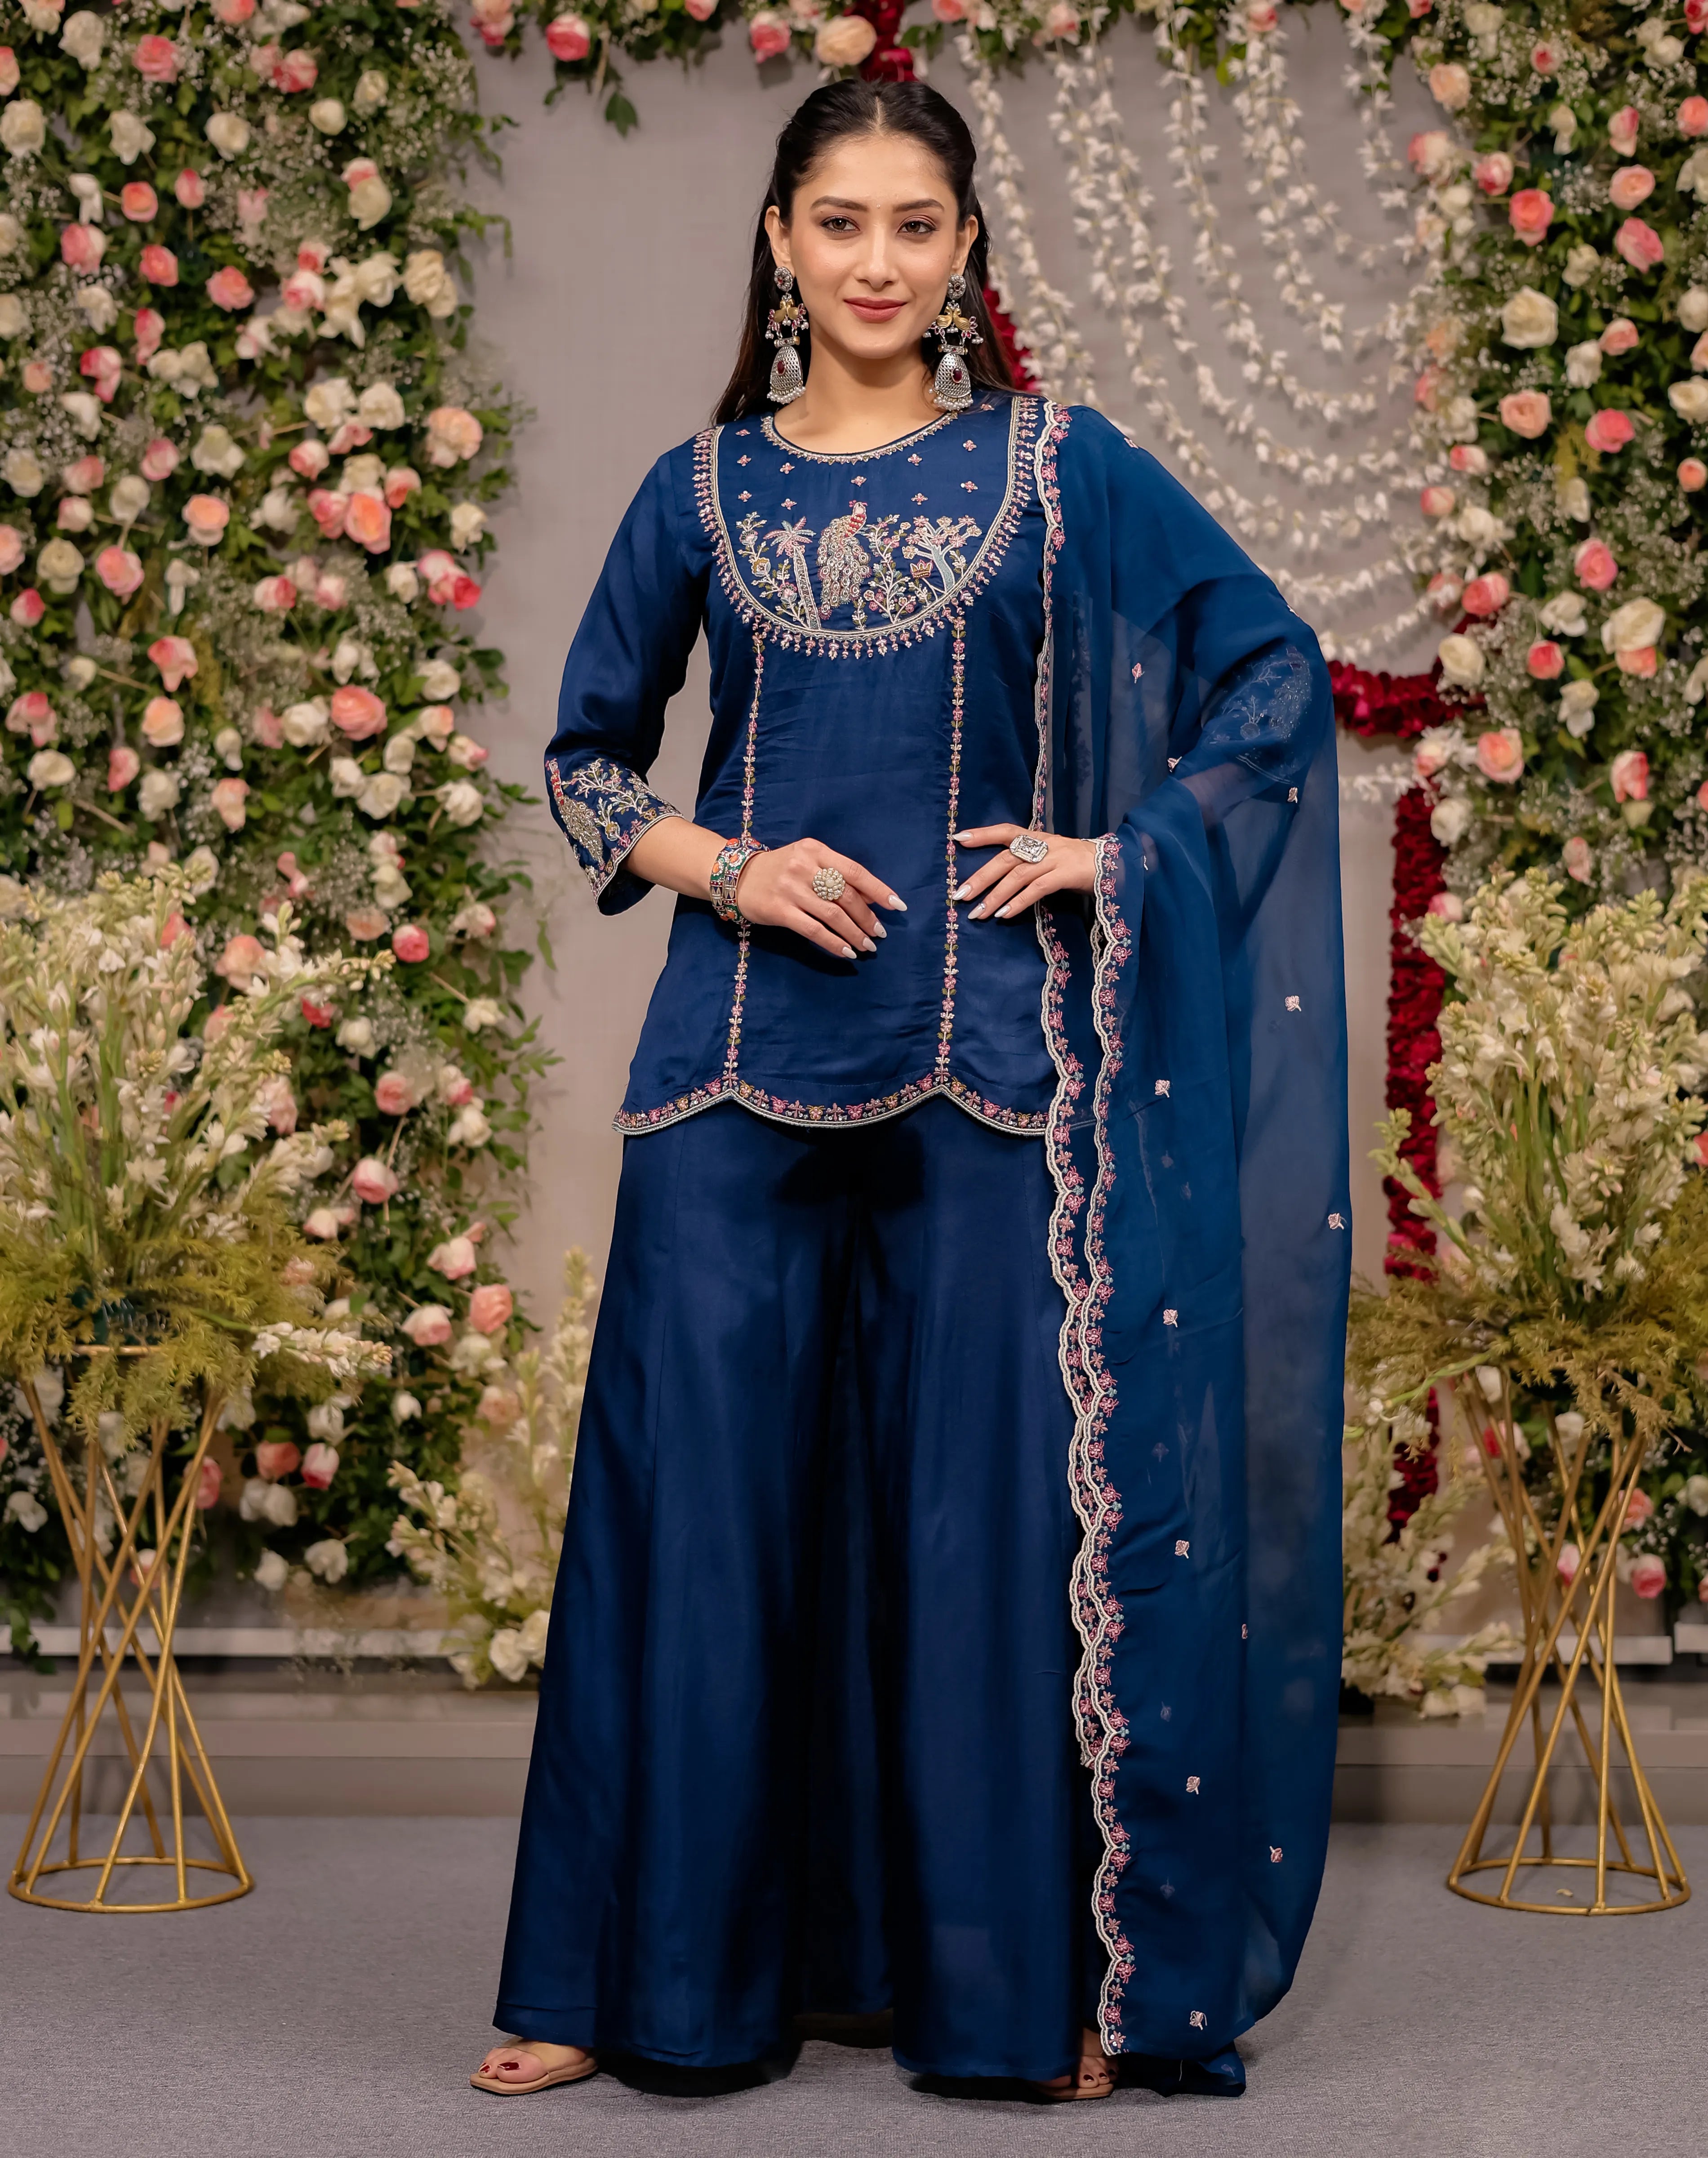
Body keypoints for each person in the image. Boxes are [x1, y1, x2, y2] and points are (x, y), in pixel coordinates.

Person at [473, 76, 1350, 2107]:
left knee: (981, 1545)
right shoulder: (696, 492)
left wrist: (1111, 855)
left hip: (987, 1086)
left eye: (916, 225)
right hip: (725, 1079)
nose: (877, 262)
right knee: (689, 1528)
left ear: (965, 255)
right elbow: (588, 757)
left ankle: (1012, 1992)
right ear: (778, 242)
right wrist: (730, 865)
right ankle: (621, 1988)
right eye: (840, 221)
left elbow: (1262, 673)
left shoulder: (1059, 469)